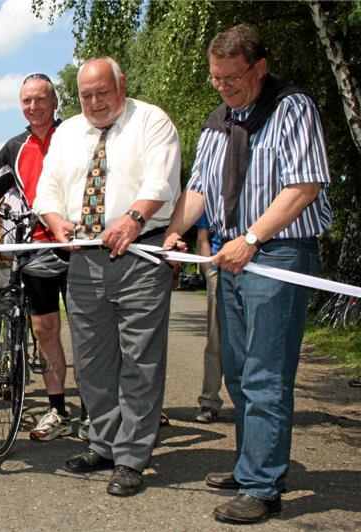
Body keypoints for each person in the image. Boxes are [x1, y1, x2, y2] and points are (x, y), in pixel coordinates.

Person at [163, 24, 331, 523]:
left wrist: (252, 238)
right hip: (229, 259)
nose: (224, 88)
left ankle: (262, 486)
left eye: (232, 78)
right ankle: (250, 463)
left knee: (265, 373)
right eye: (216, 80)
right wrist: (174, 232)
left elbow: (304, 186)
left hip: (277, 255)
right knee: (236, 369)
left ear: (258, 67)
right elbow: (199, 190)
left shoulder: (292, 107)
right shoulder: (218, 120)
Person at [34, 57, 181, 496]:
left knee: (140, 358)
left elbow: (162, 182)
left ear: (123, 85)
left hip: (141, 250)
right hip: (85, 258)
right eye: (86, 95)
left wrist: (134, 218)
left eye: (104, 92)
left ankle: (133, 457)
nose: (95, 103)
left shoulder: (152, 121)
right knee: (94, 359)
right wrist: (55, 219)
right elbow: (49, 187)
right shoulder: (67, 133)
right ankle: (102, 443)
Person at [0, 73, 78, 442]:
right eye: (26, 101)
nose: (33, 107)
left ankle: (97, 410)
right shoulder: (14, 146)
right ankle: (57, 410)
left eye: (41, 99)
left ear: (55, 102)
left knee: (90, 334)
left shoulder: (74, 134)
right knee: (45, 332)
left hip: (78, 247)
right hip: (35, 249)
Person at [194, 214, 223, 424]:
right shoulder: (213, 186)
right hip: (219, 269)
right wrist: (209, 272)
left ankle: (253, 405)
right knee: (216, 341)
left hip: (262, 266)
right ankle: (209, 402)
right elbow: (203, 236)